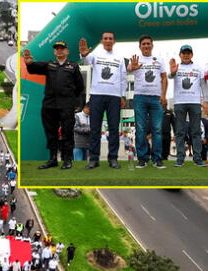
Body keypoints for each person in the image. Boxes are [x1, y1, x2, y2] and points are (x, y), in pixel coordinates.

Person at [22, 41, 85, 170]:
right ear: (54, 52)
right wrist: (29, 64)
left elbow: (80, 88)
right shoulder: (48, 65)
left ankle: (67, 160)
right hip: (50, 104)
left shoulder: (73, 67)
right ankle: (52, 159)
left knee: (67, 132)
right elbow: (34, 68)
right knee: (51, 133)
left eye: (62, 48)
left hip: (66, 105)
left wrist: (73, 102)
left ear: (67, 51)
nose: (59, 50)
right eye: (57, 49)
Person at [80, 32, 127, 170]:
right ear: (101, 41)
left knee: (113, 129)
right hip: (97, 95)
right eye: (105, 38)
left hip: (114, 97)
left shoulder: (119, 58)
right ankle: (93, 159)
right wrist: (83, 54)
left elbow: (123, 78)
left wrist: (123, 96)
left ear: (114, 41)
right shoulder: (95, 55)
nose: (108, 41)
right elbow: (86, 61)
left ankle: (113, 158)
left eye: (110, 39)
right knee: (95, 129)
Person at [128, 35, 168, 168]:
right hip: (140, 98)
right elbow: (128, 69)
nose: (146, 46)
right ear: (140, 47)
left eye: (148, 43)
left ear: (152, 45)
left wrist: (163, 95)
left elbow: (164, 78)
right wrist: (132, 68)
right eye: (143, 44)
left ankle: (157, 159)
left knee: (157, 129)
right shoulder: (135, 59)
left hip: (156, 98)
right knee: (140, 129)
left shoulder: (159, 60)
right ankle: (142, 158)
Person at [169, 44, 207, 167]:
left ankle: (197, 158)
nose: (186, 55)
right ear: (180, 55)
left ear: (192, 54)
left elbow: (203, 84)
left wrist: (205, 100)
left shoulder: (198, 67)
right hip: (179, 102)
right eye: (183, 53)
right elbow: (170, 76)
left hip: (195, 102)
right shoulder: (176, 66)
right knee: (179, 132)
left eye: (188, 53)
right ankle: (180, 158)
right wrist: (173, 72)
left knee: (196, 131)